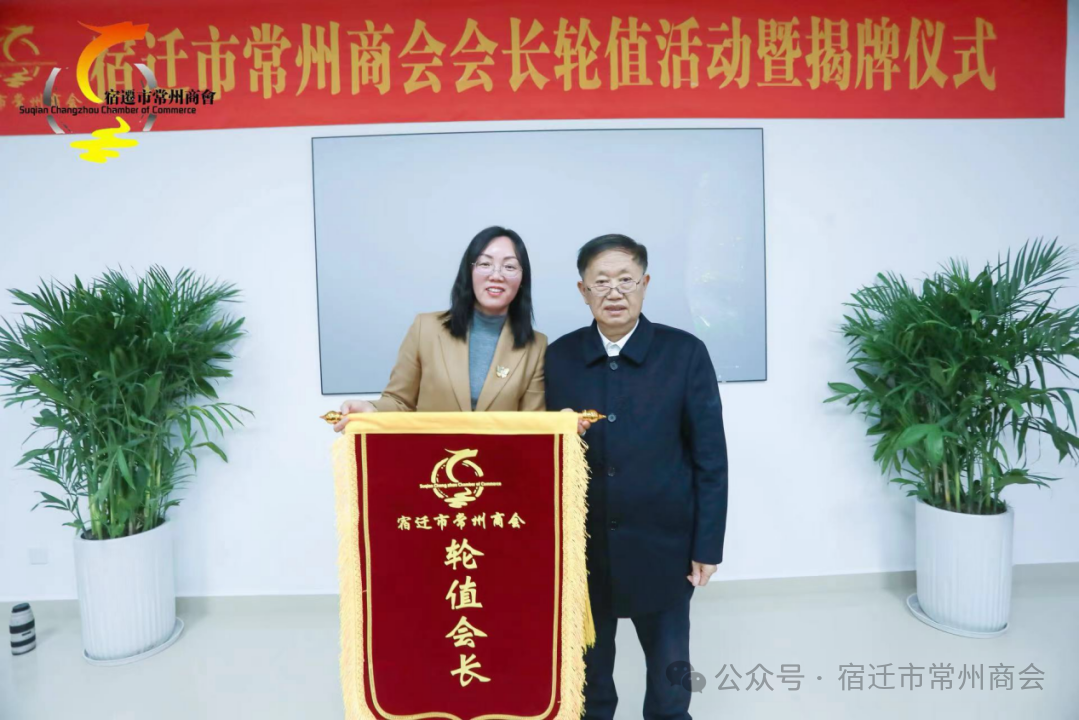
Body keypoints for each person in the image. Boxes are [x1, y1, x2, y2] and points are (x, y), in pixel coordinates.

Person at [544, 233, 729, 720]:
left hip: (664, 546)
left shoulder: (684, 353)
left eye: (626, 280)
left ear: (645, 284)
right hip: (583, 549)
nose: (614, 292)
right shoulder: (559, 358)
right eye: (601, 281)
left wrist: (707, 545)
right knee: (588, 681)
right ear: (583, 290)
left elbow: (711, 458)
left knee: (670, 680)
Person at [334, 226, 546, 429]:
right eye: (485, 264)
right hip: (430, 454)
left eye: (509, 267)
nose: (496, 275)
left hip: (500, 455)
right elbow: (399, 401)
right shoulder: (425, 329)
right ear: (469, 271)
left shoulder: (536, 346)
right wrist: (371, 409)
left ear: (522, 278)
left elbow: (533, 426)